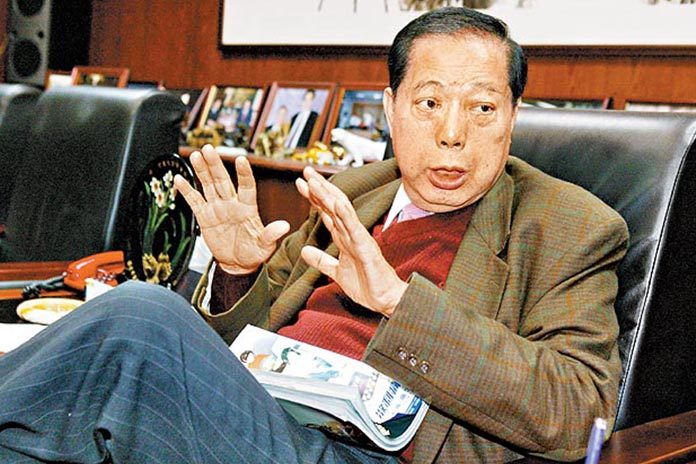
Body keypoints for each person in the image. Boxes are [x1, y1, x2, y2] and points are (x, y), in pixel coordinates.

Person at [0, 6, 628, 464]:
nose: (452, 133)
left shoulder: (568, 226)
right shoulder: (355, 190)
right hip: (263, 418)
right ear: (391, 108)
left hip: (365, 453)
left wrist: (399, 303)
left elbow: (581, 409)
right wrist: (238, 274)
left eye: (483, 108)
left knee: (138, 317)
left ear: (513, 117)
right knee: (46, 430)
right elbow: (238, 348)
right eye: (429, 103)